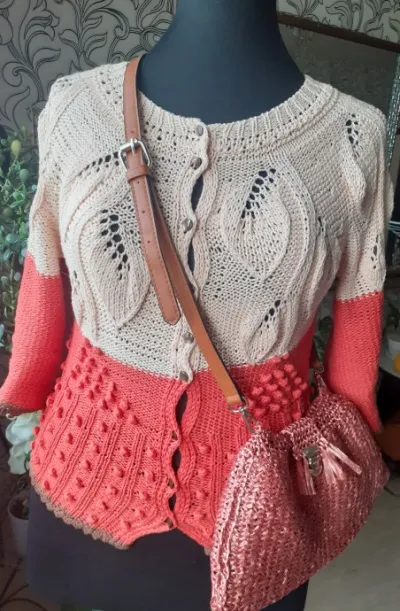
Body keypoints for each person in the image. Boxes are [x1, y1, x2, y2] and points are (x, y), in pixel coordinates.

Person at [0, 1, 392, 610]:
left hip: (260, 507)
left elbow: (359, 319)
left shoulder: (353, 137)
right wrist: (23, 385)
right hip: (86, 470)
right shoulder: (77, 107)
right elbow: (43, 273)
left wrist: (347, 452)